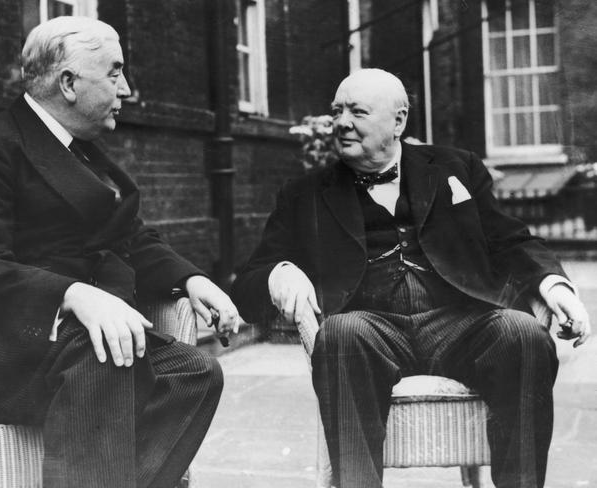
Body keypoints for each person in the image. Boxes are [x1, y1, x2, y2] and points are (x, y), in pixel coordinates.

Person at [231, 68, 591, 488]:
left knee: (524, 334)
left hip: (461, 322)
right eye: (337, 111)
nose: (342, 122)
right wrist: (279, 273)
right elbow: (246, 285)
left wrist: (554, 285)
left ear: (398, 121)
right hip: (373, 328)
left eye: (358, 111)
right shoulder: (305, 193)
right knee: (340, 334)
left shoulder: (457, 168)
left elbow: (510, 239)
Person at [0, 16, 240, 488]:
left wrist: (192, 280)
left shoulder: (85, 153)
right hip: (15, 345)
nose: (126, 88)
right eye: (115, 72)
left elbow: (131, 238)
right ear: (68, 83)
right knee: (108, 357)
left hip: (87, 337)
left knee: (196, 372)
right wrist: (73, 294)